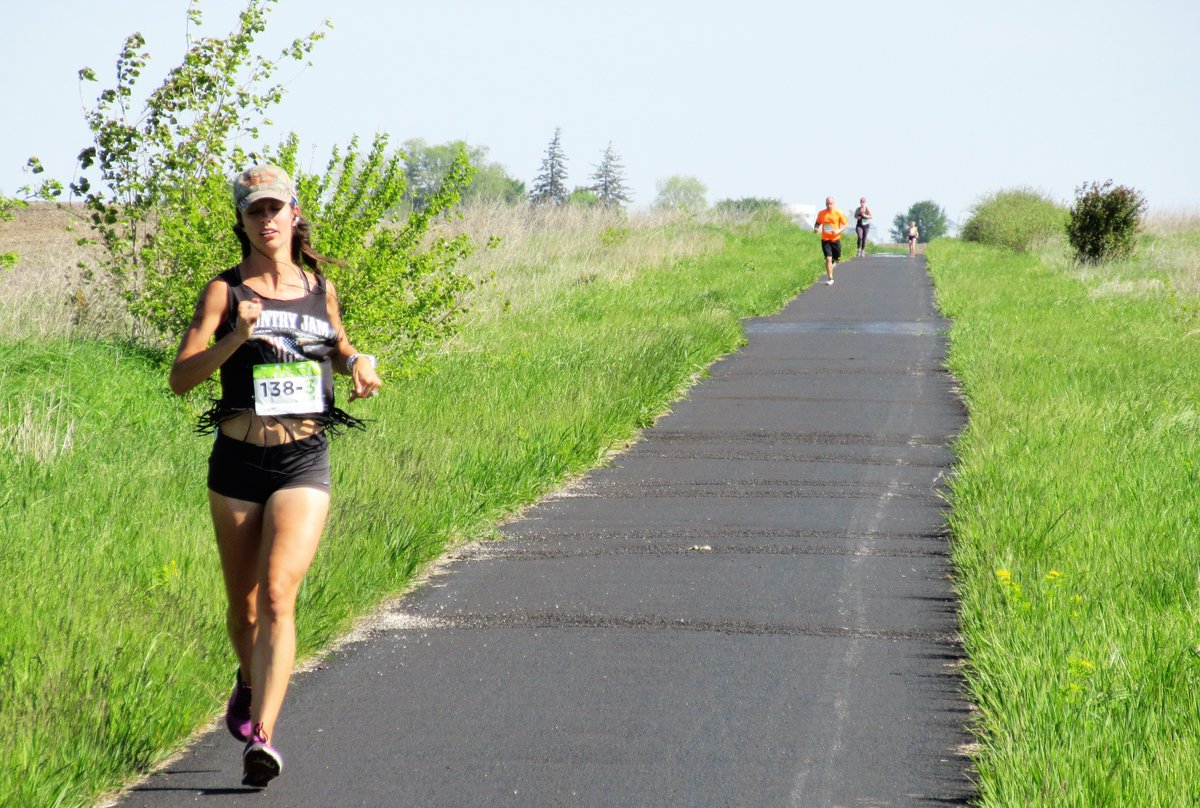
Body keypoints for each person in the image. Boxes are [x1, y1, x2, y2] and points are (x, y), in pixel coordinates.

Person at [168, 164, 382, 788]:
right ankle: (247, 677)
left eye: (275, 208)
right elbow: (181, 378)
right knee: (245, 609)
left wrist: (358, 360)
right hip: (237, 462)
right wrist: (236, 337)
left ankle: (262, 738)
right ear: (242, 220)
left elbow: (336, 349)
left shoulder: (319, 287)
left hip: (303, 459)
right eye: (254, 210)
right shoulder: (224, 290)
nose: (266, 220)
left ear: (294, 214)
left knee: (280, 591)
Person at [813, 196, 848, 285]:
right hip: (825, 240)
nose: (829, 205)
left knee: (837, 259)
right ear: (825, 204)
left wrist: (838, 231)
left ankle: (835, 260)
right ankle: (830, 278)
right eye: (828, 204)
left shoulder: (838, 212)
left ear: (834, 204)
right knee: (828, 258)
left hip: (836, 239)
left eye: (831, 204)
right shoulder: (822, 213)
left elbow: (845, 224)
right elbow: (817, 223)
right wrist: (816, 229)